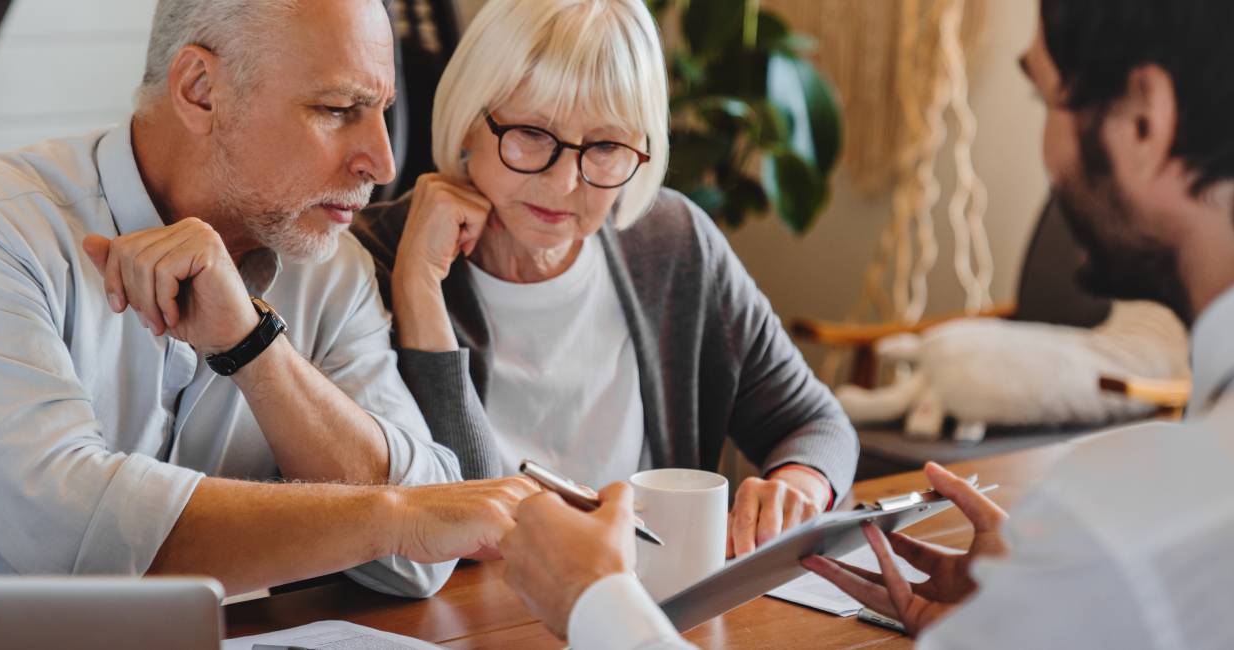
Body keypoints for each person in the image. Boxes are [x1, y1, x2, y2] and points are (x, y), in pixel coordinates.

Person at [499, 0, 1234, 646]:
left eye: (1047, 101)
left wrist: (597, 604)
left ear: (1144, 119)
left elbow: (813, 420)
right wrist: (1013, 618)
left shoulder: (1125, 533)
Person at [0, 0, 538, 598]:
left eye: (381, 112)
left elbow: (420, 564)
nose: (381, 163)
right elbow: (71, 536)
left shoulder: (330, 266)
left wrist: (255, 350)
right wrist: (393, 517)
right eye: (336, 109)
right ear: (201, 90)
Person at [352, 0, 858, 557]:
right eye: (532, 133)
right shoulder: (371, 257)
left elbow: (816, 424)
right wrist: (418, 288)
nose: (564, 182)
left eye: (607, 146)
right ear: (468, 117)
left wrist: (798, 487)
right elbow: (449, 521)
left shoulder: (671, 242)